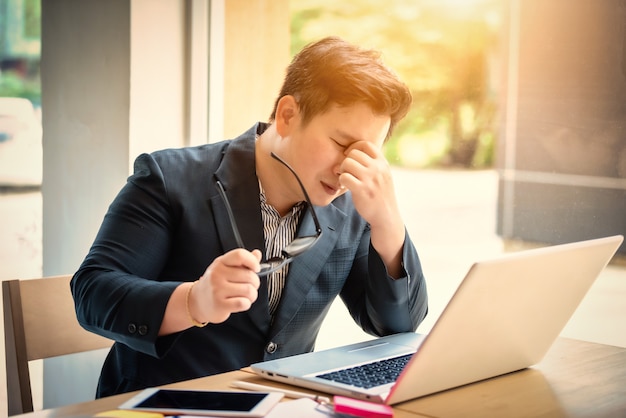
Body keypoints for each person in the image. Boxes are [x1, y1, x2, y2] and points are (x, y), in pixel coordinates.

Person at [71, 36, 428, 398]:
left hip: (281, 407)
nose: (348, 168)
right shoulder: (169, 177)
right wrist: (192, 301)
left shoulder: (353, 206)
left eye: (367, 153)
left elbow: (398, 326)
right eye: (341, 144)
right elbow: (92, 293)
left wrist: (388, 222)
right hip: (163, 404)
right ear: (288, 115)